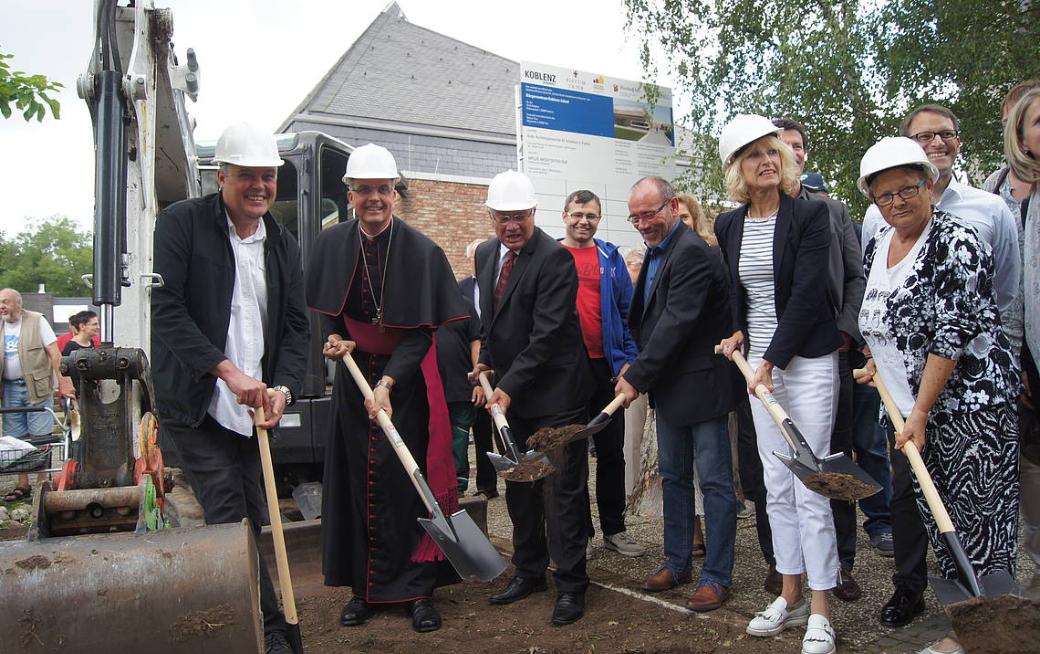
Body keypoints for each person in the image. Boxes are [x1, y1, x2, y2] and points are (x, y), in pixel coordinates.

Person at [856, 136, 1021, 654]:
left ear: (930, 184)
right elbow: (880, 318)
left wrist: (921, 410)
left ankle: (998, 635)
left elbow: (952, 332)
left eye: (908, 188)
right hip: (909, 411)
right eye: (885, 195)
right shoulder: (878, 242)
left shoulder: (958, 240)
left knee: (979, 528)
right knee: (937, 520)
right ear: (873, 201)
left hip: (970, 410)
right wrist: (874, 361)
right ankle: (964, 630)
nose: (898, 201)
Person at [150, 122, 309, 654]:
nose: (260, 186)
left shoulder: (283, 244)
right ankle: (269, 630)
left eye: (268, 176)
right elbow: (166, 310)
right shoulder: (182, 225)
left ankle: (250, 607)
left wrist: (283, 388)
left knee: (256, 511)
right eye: (248, 176)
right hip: (199, 401)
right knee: (226, 510)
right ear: (222, 177)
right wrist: (226, 370)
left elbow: (295, 327)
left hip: (257, 404)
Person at [306, 143, 467, 634]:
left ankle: (419, 591)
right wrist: (335, 343)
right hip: (355, 383)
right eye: (364, 190)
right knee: (357, 484)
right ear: (350, 194)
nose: (374, 198)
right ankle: (364, 591)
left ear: (395, 193)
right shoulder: (330, 244)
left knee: (407, 486)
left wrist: (390, 383)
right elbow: (324, 313)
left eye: (383, 189)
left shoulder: (421, 250)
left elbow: (421, 331)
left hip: (409, 383)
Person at [714, 114, 840, 654]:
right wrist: (736, 332)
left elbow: (810, 294)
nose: (766, 161)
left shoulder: (810, 216)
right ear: (739, 170)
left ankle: (821, 609)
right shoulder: (728, 224)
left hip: (805, 362)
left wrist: (772, 359)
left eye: (772, 152)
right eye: (753, 155)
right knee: (774, 482)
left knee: (812, 479)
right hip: (758, 366)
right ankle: (788, 596)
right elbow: (734, 294)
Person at [614, 176, 738, 612]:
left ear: (672, 206)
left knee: (716, 483)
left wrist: (637, 375)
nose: (643, 224)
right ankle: (678, 560)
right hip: (669, 388)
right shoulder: (657, 252)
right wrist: (635, 361)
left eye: (650, 213)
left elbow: (677, 322)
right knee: (674, 479)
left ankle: (717, 575)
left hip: (702, 385)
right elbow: (647, 320)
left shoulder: (692, 253)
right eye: (636, 217)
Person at [474, 170, 592, 626]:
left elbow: (545, 337)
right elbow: (492, 320)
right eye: (503, 218)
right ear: (491, 217)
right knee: (519, 489)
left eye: (520, 217)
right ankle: (528, 571)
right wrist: (485, 361)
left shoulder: (555, 260)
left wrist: (505, 386)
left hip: (557, 396)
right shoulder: (487, 254)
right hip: (512, 397)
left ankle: (571, 584)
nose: (511, 226)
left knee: (560, 492)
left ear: (533, 214)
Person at [774, 117, 870, 602]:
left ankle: (841, 564)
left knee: (831, 457)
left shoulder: (831, 211)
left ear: (803, 156)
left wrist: (844, 332)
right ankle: (789, 568)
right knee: (782, 464)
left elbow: (855, 276)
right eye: (778, 146)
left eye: (795, 147)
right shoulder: (753, 217)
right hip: (772, 363)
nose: (786, 154)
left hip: (826, 354)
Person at [861, 104, 1021, 351]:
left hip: (972, 363)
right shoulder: (877, 219)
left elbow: (1005, 291)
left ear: (958, 142)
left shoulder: (991, 208)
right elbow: (876, 289)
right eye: (925, 136)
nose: (937, 143)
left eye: (946, 134)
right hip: (900, 365)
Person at [559, 189, 644, 558]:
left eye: (591, 215)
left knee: (612, 453)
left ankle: (615, 529)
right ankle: (583, 534)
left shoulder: (610, 257)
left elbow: (628, 314)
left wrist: (628, 361)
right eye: (577, 214)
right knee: (573, 454)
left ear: (599, 218)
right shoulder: (552, 257)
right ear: (565, 215)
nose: (584, 221)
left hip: (607, 369)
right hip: (566, 372)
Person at [985, 85, 1040, 600]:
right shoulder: (994, 191)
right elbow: (999, 284)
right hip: (1015, 352)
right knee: (1026, 463)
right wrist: (1010, 352)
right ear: (1018, 133)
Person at [1, 288, 75, 503]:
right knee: (15, 437)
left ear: (18, 304)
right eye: (0, 302)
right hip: (9, 387)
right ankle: (22, 484)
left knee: (40, 435)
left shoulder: (36, 321)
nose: (2, 306)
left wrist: (63, 382)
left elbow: (54, 353)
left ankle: (43, 481)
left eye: (6, 302)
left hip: (37, 385)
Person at [459, 238, 499, 499]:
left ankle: (516, 476)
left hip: (499, 363)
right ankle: (487, 484)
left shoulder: (501, 284)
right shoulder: (460, 289)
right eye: (475, 257)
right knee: (481, 427)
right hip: (476, 365)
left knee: (502, 424)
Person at [435, 292, 483, 494]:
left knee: (459, 438)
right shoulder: (418, 305)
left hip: (461, 386)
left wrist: (479, 382)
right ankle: (437, 488)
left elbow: (476, 342)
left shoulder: (464, 305)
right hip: (429, 389)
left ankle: (458, 488)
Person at [621, 246, 649, 498]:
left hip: (654, 364)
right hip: (634, 367)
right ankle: (632, 487)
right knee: (632, 433)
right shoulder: (623, 298)